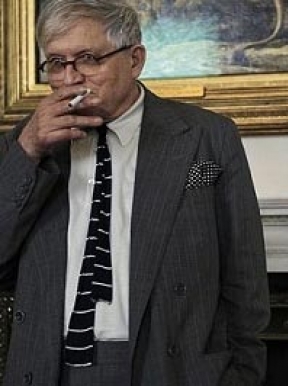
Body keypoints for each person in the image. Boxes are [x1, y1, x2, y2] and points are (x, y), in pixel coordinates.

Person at [0, 0, 270, 384]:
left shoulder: (207, 136)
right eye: (57, 64)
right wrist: (28, 150)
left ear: (134, 60)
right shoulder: (29, 142)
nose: (70, 78)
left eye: (88, 58)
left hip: (169, 364)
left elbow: (245, 275)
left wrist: (243, 375)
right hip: (52, 365)